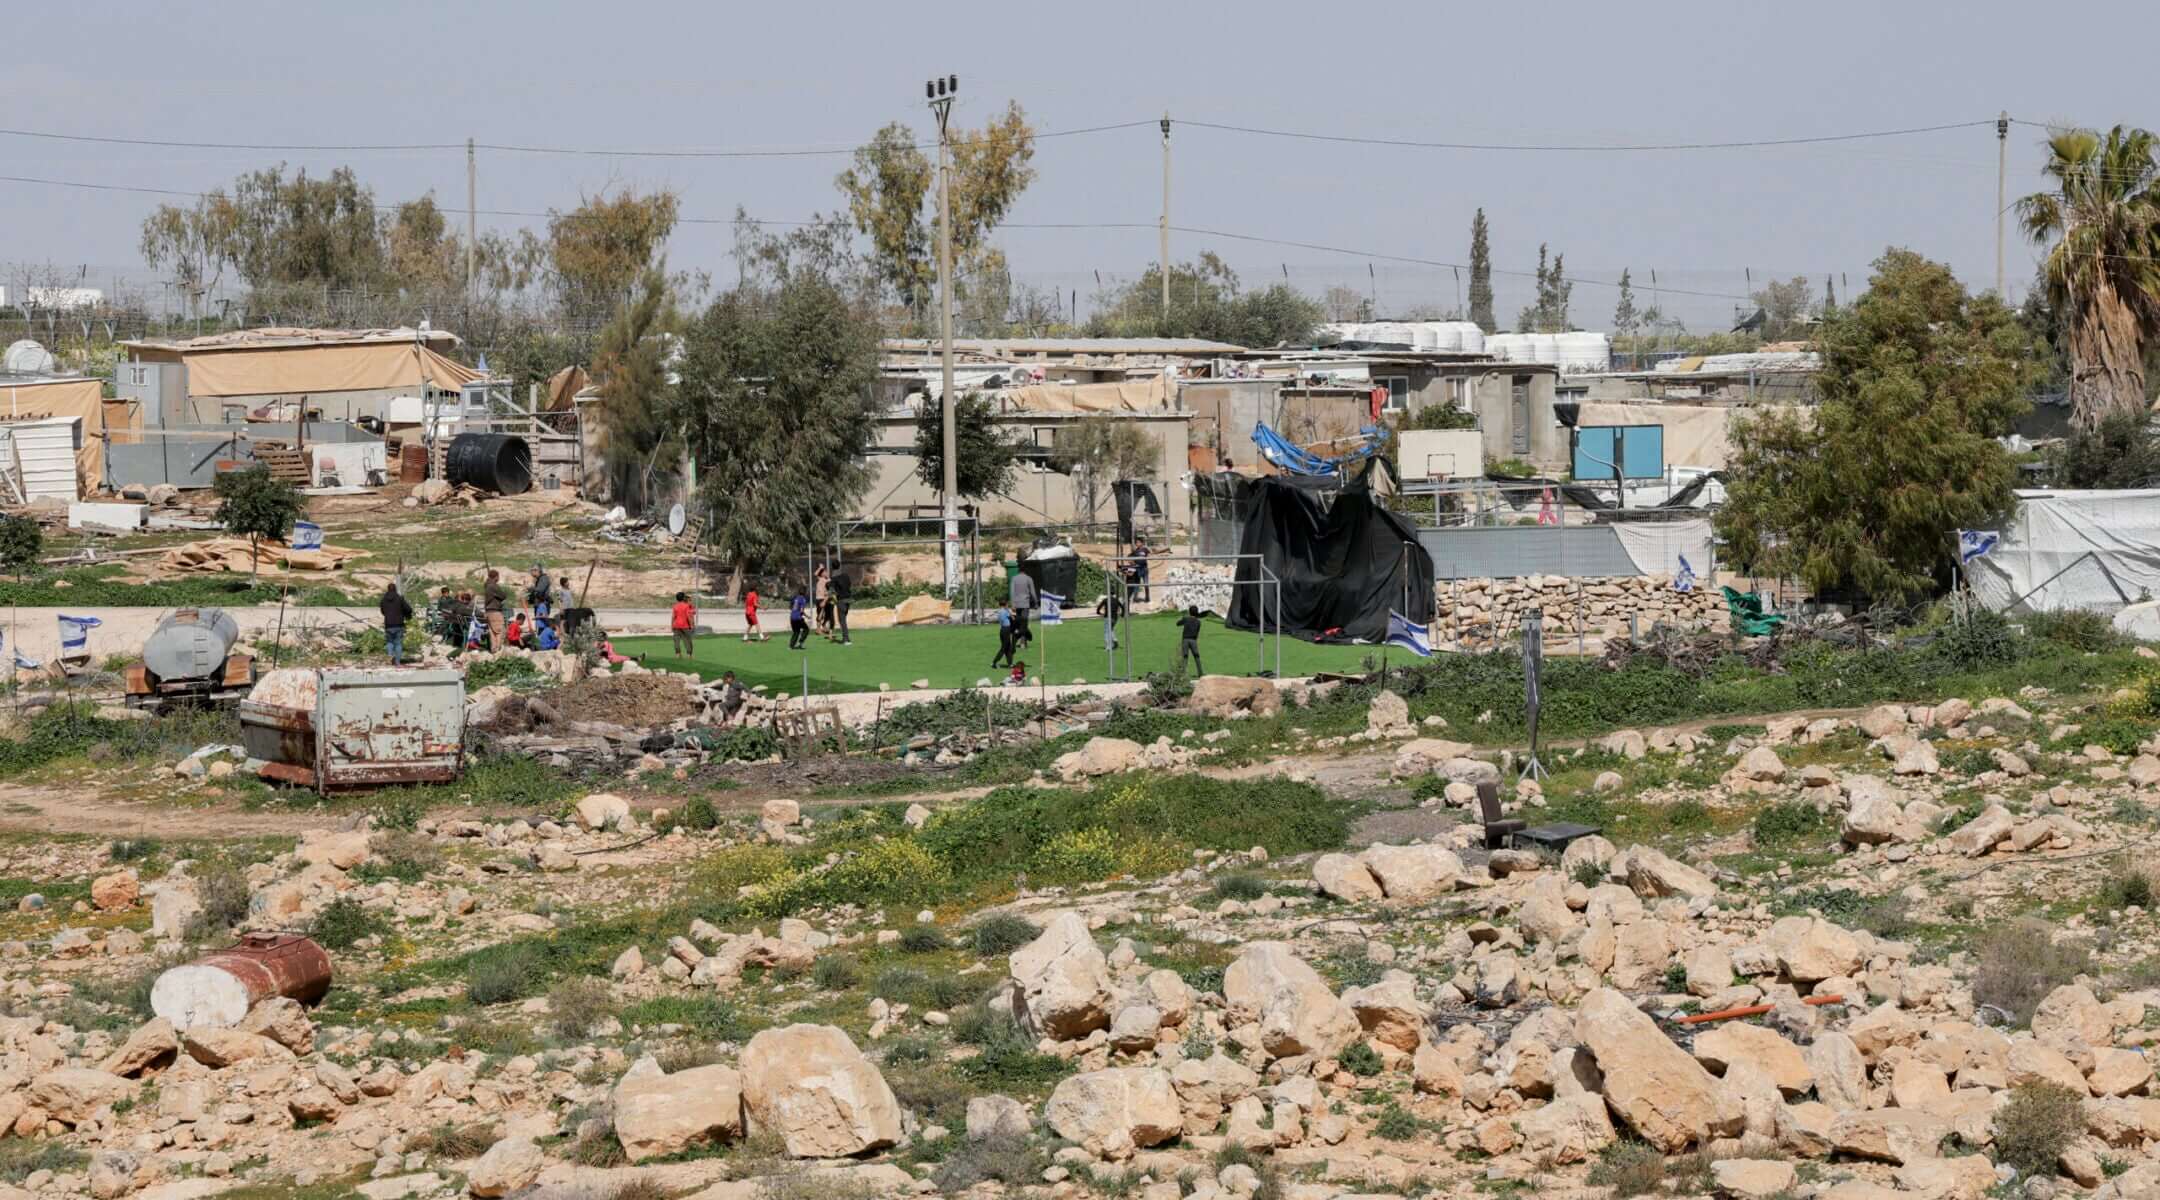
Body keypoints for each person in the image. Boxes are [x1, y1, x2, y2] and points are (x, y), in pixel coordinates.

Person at [380, 581, 413, 665]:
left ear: (388, 589)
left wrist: (388, 615)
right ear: (395, 589)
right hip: (398, 624)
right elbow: (408, 609)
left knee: (389, 642)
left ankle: (390, 656)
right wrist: (404, 614)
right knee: (398, 643)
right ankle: (397, 662)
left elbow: (383, 611)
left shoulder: (383, 599)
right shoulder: (400, 598)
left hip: (388, 624)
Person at [1008, 568, 1037, 649]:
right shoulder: (1029, 579)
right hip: (1025, 604)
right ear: (1025, 571)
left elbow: (1012, 592)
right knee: (1024, 624)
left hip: (1017, 605)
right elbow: (1033, 592)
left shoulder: (1014, 578)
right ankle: (1023, 643)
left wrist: (1012, 604)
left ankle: (1020, 641)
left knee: (1019, 624)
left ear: (1019, 571)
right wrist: (1036, 603)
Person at [482, 569, 508, 651]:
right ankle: (498, 649)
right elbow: (503, 596)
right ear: (496, 577)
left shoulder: (487, 585)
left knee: (492, 632)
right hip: (495, 611)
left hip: (488, 611)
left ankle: (493, 649)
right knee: (500, 631)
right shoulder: (493, 586)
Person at [1176, 604, 1205, 678]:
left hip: (1185, 640)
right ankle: (1200, 673)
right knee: (1197, 656)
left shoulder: (1186, 619)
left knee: (1185, 656)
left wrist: (1183, 618)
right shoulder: (1198, 622)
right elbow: (1197, 632)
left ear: (1189, 612)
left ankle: (1183, 673)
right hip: (1193, 640)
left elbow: (1178, 623)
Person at [671, 591, 698, 658]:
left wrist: (671, 625)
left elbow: (673, 617)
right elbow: (688, 616)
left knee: (676, 640)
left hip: (676, 625)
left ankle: (677, 653)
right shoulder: (686, 606)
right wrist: (691, 625)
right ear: (683, 598)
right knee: (688, 640)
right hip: (685, 626)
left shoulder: (675, 606)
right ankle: (689, 654)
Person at [830, 569, 853, 645]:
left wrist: (834, 600)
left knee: (842, 621)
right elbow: (849, 584)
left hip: (841, 600)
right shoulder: (846, 576)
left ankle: (846, 640)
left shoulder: (834, 578)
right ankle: (846, 638)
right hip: (848, 600)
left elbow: (832, 590)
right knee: (843, 620)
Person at [991, 603, 1017, 668]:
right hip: (1006, 630)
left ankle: (1010, 664)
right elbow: (1013, 618)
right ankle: (994, 662)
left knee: (1009, 647)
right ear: (1005, 605)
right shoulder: (1005, 611)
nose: (1008, 606)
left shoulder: (999, 611)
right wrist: (1010, 611)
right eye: (1007, 605)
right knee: (1004, 648)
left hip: (1002, 630)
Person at [788, 583, 811, 650]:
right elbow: (801, 611)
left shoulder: (795, 598)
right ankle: (800, 642)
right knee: (806, 629)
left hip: (792, 617)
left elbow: (790, 607)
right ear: (805, 592)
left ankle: (791, 646)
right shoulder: (803, 599)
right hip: (798, 618)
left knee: (796, 632)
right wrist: (807, 616)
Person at [813, 565, 832, 638]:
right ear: (821, 574)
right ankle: (818, 629)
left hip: (824, 599)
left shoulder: (828, 580)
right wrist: (820, 568)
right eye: (824, 572)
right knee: (820, 614)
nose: (826, 573)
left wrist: (827, 576)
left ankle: (823, 627)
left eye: (826, 572)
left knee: (826, 615)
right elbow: (815, 574)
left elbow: (830, 589)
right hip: (819, 598)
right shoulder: (819, 578)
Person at [1132, 539, 1153, 604]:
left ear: (1142, 543)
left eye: (1138, 542)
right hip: (1138, 569)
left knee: (1146, 584)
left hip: (1144, 568)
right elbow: (1130, 558)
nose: (1137, 544)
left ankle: (1147, 598)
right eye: (1136, 543)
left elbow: (1150, 554)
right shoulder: (1135, 551)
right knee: (1137, 585)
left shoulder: (1145, 549)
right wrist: (1133, 564)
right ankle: (1135, 598)